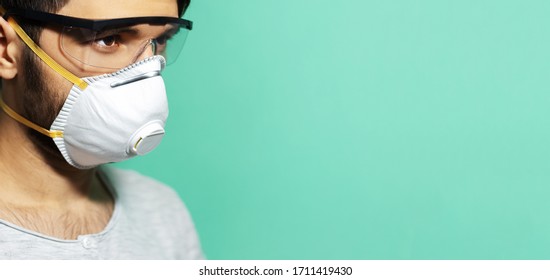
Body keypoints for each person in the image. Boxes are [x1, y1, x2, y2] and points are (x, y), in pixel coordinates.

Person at [0, 0, 203, 259]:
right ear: (6, 48)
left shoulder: (162, 213)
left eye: (161, 40)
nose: (146, 71)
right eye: (108, 40)